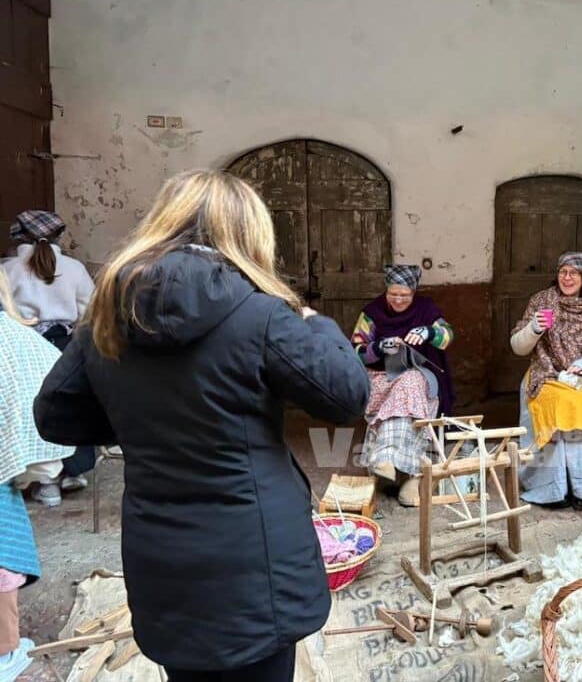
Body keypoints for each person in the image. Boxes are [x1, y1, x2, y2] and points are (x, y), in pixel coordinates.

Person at [34, 170, 370, 682]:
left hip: (162, 559)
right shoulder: (261, 314)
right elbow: (347, 395)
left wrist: (141, 421)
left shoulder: (108, 316)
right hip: (256, 564)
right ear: (248, 234)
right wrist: (313, 321)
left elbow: (56, 414)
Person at [0, 270, 74, 681]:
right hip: (2, 474)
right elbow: (47, 395)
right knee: (2, 557)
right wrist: (38, 470)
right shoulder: (14, 339)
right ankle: (3, 653)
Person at [510, 252, 582, 509]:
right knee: (558, 404)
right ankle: (552, 488)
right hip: (544, 374)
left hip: (579, 377)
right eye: (563, 272)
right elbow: (517, 346)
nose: (567, 278)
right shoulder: (542, 301)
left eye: (574, 273)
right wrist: (534, 329)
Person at [3, 210, 96, 505]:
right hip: (66, 344)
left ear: (18, 236)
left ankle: (45, 482)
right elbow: (90, 311)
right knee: (72, 402)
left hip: (23, 347)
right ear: (59, 236)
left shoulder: (8, 269)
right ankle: (73, 471)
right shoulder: (74, 268)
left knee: (34, 407)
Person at [351, 264, 455, 507]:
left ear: (413, 292)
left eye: (404, 295)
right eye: (393, 294)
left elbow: (448, 335)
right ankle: (412, 477)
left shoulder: (426, 309)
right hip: (381, 378)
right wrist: (379, 347)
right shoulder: (371, 313)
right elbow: (356, 351)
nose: (398, 299)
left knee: (410, 383)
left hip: (418, 376)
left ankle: (386, 457)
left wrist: (429, 333)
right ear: (386, 290)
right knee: (406, 402)